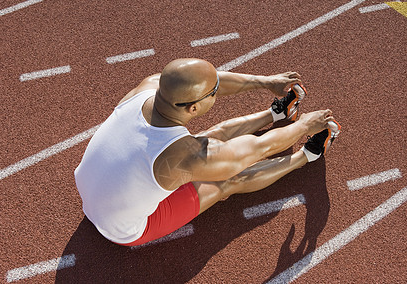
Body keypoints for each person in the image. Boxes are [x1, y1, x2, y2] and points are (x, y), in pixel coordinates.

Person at [74, 58, 341, 246]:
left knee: (211, 139)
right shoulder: (180, 155)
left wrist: (265, 82)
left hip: (92, 192)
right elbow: (260, 148)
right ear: (192, 109)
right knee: (228, 179)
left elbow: (212, 82)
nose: (217, 93)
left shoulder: (151, 86)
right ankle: (308, 155)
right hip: (121, 229)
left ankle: (277, 112)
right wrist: (306, 125)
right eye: (212, 94)